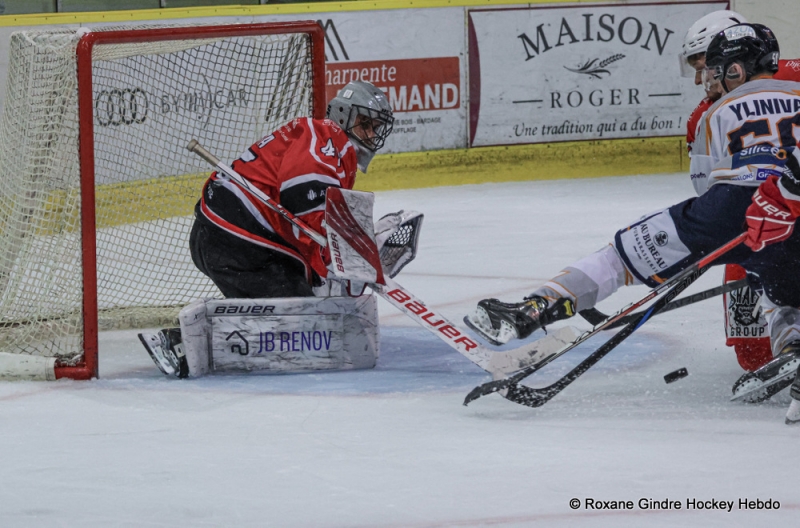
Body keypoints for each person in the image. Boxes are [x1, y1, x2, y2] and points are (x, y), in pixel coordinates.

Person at [466, 23, 800, 421]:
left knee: (622, 258)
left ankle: (534, 309)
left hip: (735, 207)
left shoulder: (713, 113)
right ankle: (793, 349)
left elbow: (706, 185)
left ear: (736, 71)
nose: (706, 79)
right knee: (784, 287)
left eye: (714, 70)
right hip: (792, 203)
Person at [139, 80, 398, 377]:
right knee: (301, 322)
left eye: (376, 127)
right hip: (234, 240)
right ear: (343, 116)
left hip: (242, 238)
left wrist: (328, 263)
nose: (371, 133)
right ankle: (178, 343)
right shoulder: (324, 141)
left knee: (308, 309)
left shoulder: (329, 145)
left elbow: (304, 219)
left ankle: (209, 331)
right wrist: (338, 258)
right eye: (366, 123)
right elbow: (301, 199)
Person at [680, 11, 800, 374]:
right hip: (754, 218)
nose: (702, 78)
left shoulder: (793, 75)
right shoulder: (703, 116)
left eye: (705, 64)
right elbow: (708, 190)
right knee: (754, 358)